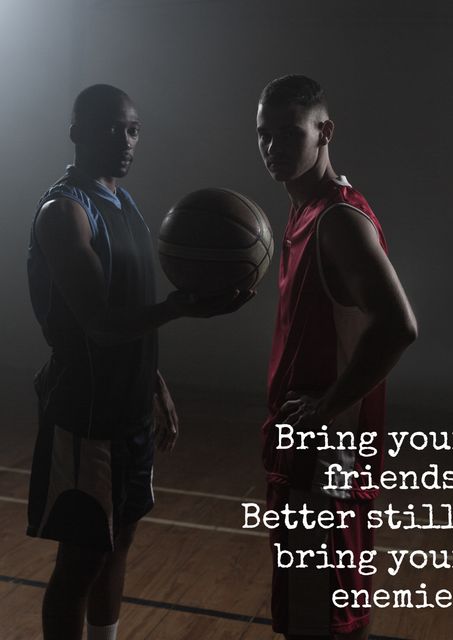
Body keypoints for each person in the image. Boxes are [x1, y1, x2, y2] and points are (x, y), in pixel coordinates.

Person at [27, 83, 253, 640]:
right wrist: (179, 309)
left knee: (120, 540)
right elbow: (100, 324)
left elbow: (128, 310)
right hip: (85, 414)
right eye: (110, 128)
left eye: (133, 129)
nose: (126, 141)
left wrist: (155, 381)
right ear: (77, 132)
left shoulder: (121, 201)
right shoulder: (65, 212)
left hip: (130, 408)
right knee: (79, 562)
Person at [257, 75, 417, 640]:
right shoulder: (301, 215)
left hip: (328, 457)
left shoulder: (337, 221)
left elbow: (399, 327)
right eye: (264, 134)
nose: (273, 146)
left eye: (287, 132)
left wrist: (326, 406)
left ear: (324, 131)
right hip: (306, 451)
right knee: (311, 615)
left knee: (322, 621)